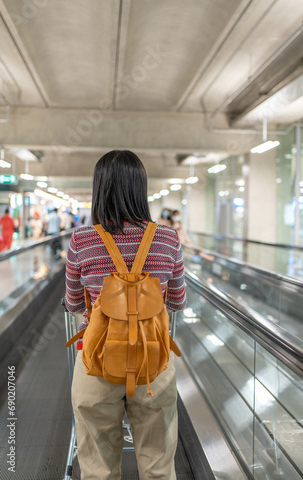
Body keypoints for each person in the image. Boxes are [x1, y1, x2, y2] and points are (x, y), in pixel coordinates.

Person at [65, 150, 186, 480]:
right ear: (141, 188)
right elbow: (177, 300)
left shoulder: (81, 240)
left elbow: (74, 303)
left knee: (98, 468)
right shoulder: (168, 239)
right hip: (153, 365)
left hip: (97, 364)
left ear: (99, 189)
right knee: (158, 466)